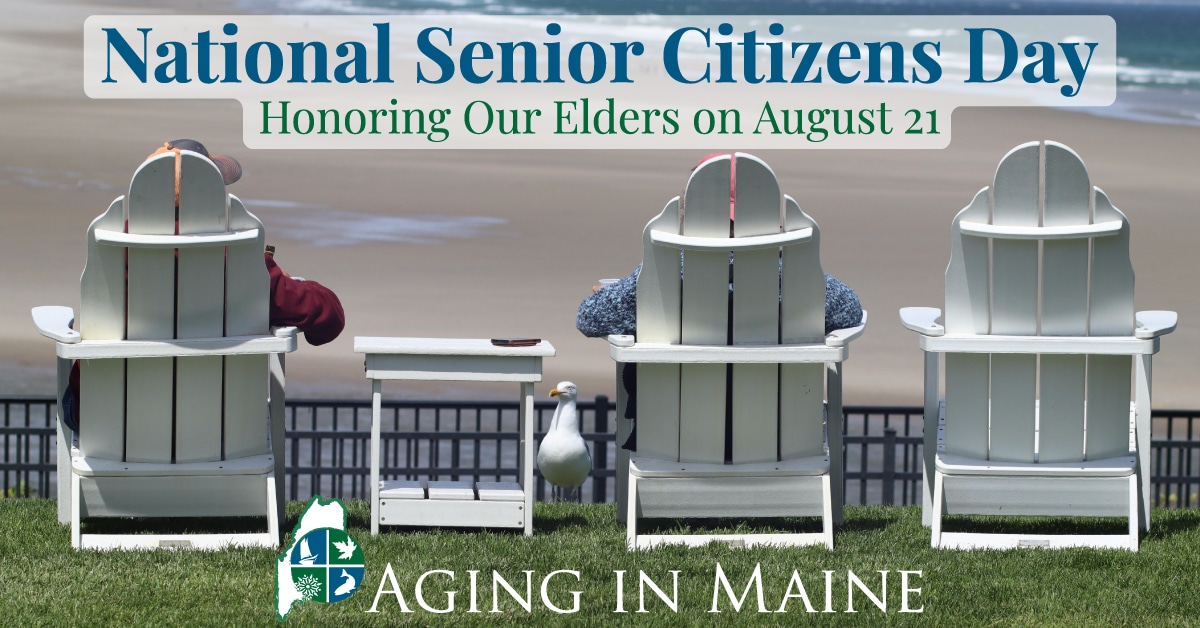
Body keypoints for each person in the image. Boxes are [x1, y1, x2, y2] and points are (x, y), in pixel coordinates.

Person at [575, 154, 863, 451]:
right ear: (767, 212)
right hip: (778, 441)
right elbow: (850, 310)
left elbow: (588, 318)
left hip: (673, 442)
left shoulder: (666, 272)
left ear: (690, 205)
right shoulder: (792, 274)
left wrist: (610, 298)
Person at [61, 139, 346, 432]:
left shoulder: (114, 249)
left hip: (111, 423)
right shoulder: (239, 259)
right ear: (207, 193)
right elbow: (329, 319)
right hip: (217, 431)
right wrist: (279, 279)